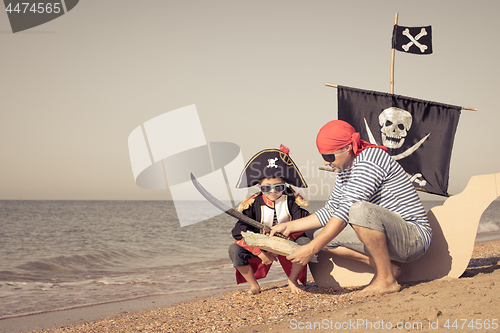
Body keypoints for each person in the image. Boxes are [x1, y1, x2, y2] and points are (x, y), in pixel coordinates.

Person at [270, 120, 432, 297]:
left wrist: (311, 249)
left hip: (413, 238)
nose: (326, 162)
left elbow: (346, 209)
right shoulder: (345, 168)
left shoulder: (371, 159)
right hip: (390, 235)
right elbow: (331, 210)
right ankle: (387, 269)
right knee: (319, 235)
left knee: (357, 210)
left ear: (347, 148)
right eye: (323, 156)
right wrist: (289, 226)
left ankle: (386, 280)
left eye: (329, 156)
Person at [229, 145, 310, 294]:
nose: (272, 192)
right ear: (260, 186)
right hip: (261, 245)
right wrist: (260, 252)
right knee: (235, 250)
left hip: (289, 243)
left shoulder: (291, 201)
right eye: (266, 188)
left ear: (284, 186)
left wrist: (282, 243)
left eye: (278, 187)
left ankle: (292, 280)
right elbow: (238, 233)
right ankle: (254, 286)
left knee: (305, 244)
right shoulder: (252, 204)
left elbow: (303, 223)